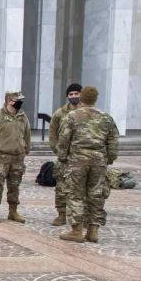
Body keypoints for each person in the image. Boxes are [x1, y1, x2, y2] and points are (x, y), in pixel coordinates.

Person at [56, 86, 119, 243]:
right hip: (99, 161)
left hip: (77, 161)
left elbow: (63, 140)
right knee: (96, 195)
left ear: (82, 98)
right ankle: (93, 230)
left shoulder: (72, 116)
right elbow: (113, 141)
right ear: (95, 99)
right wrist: (109, 158)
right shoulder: (106, 118)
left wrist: (63, 158)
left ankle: (76, 230)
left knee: (75, 194)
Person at [0, 91, 31, 223]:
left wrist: (26, 148)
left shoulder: (22, 116)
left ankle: (13, 211)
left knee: (14, 186)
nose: (20, 102)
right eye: (18, 100)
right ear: (10, 100)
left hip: (17, 158)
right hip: (1, 157)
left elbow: (27, 133)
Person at [48, 83, 82, 225]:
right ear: (67, 96)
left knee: (81, 187)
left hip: (81, 157)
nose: (74, 96)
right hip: (64, 157)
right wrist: (58, 150)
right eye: (71, 94)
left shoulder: (87, 112)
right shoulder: (60, 113)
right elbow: (52, 133)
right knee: (61, 187)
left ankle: (81, 217)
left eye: (76, 93)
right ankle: (61, 214)